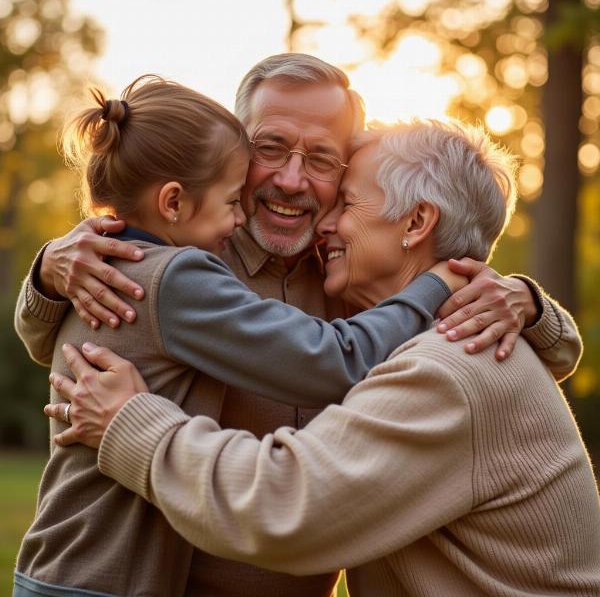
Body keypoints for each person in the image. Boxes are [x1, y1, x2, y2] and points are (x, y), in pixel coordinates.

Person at [16, 54, 582, 596]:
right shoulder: (188, 249)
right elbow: (58, 337)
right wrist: (47, 272)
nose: (291, 180)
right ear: (236, 151)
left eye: (320, 159)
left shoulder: (349, 273)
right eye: (271, 147)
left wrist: (527, 303)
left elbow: (512, 352)